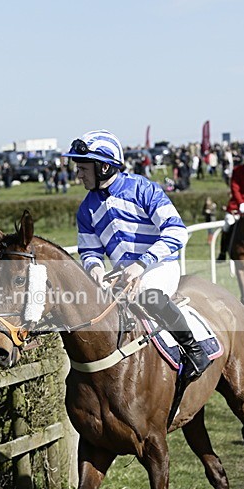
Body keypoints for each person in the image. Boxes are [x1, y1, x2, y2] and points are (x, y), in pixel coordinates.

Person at [63, 129, 212, 381]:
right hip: (121, 273)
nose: (78, 175)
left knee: (148, 295)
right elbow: (89, 250)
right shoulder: (86, 209)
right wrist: (95, 268)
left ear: (104, 168)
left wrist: (142, 264)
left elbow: (177, 231)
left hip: (159, 266)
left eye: (83, 169)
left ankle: (195, 351)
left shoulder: (143, 189)